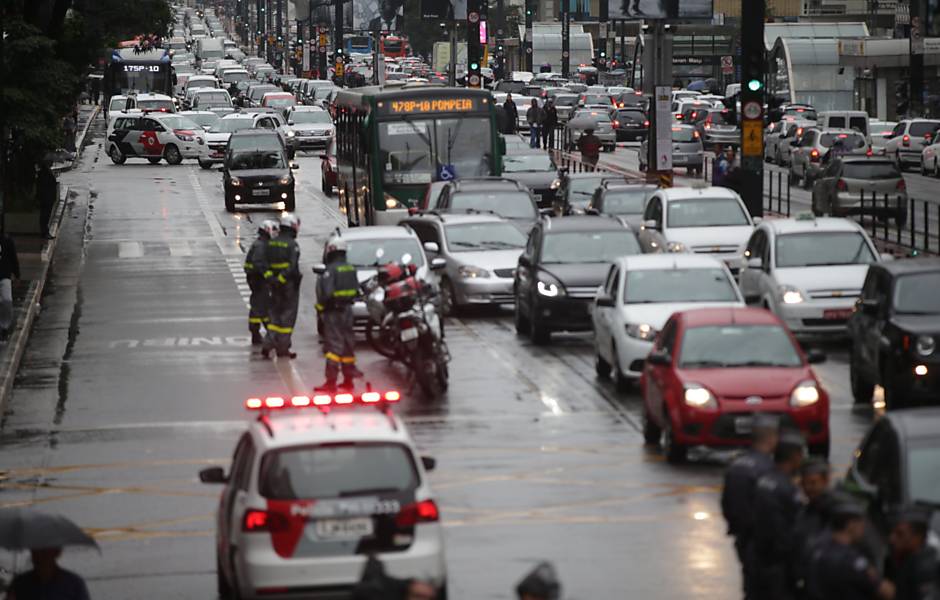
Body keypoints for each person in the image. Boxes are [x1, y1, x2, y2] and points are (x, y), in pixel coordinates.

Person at [721, 414, 780, 600]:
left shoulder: (736, 466)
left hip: (743, 539)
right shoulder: (768, 469)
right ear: (771, 438)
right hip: (764, 544)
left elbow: (726, 504)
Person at [750, 430, 807, 600]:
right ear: (794, 456)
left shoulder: (764, 480)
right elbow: (787, 528)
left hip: (759, 557)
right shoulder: (786, 488)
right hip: (778, 563)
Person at [806, 500, 896, 600]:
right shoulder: (851, 560)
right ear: (851, 525)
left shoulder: (817, 552)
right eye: (862, 523)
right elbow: (886, 591)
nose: (864, 528)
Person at [314, 237, 363, 392]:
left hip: (333, 312)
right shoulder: (350, 268)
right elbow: (356, 291)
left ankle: (330, 382)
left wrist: (321, 308)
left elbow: (326, 294)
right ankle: (349, 380)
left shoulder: (330, 270)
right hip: (348, 311)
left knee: (334, 346)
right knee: (348, 343)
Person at [261, 214, 301, 359]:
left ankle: (267, 344)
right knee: (287, 318)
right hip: (288, 286)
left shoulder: (271, 243)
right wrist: (282, 279)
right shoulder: (292, 245)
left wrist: (272, 279)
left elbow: (263, 264)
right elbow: (292, 266)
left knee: (274, 316)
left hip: (273, 286)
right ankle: (283, 348)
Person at [793, 458, 834, 598]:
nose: (809, 488)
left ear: (826, 481)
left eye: (813, 483)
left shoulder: (838, 513)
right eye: (805, 484)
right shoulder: (803, 513)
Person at [887, 507, 938, 600]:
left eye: (900, 534)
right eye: (892, 532)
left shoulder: (924, 569)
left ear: (917, 537)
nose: (892, 538)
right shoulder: (903, 559)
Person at [6, 547, 90, 600]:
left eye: (44, 551)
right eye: (35, 550)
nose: (38, 555)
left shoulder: (74, 584)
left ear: (57, 552)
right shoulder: (19, 583)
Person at [245, 220, 278, 345]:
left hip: (256, 279)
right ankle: (263, 332)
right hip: (258, 280)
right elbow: (259, 264)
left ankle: (258, 332)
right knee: (261, 306)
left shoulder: (263, 243)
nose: (275, 233)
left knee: (259, 306)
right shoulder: (261, 245)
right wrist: (269, 277)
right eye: (273, 230)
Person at [0, 231, 21, 341]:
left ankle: (5, 326)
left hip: (4, 275)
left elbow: (13, 258)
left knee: (7, 300)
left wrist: (17, 275)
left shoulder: (7, 240)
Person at [37, 161, 58, 239]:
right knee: (45, 216)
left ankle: (45, 232)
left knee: (45, 216)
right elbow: (47, 185)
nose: (52, 162)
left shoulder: (45, 172)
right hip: (46, 198)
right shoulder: (45, 173)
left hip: (47, 198)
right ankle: (44, 232)